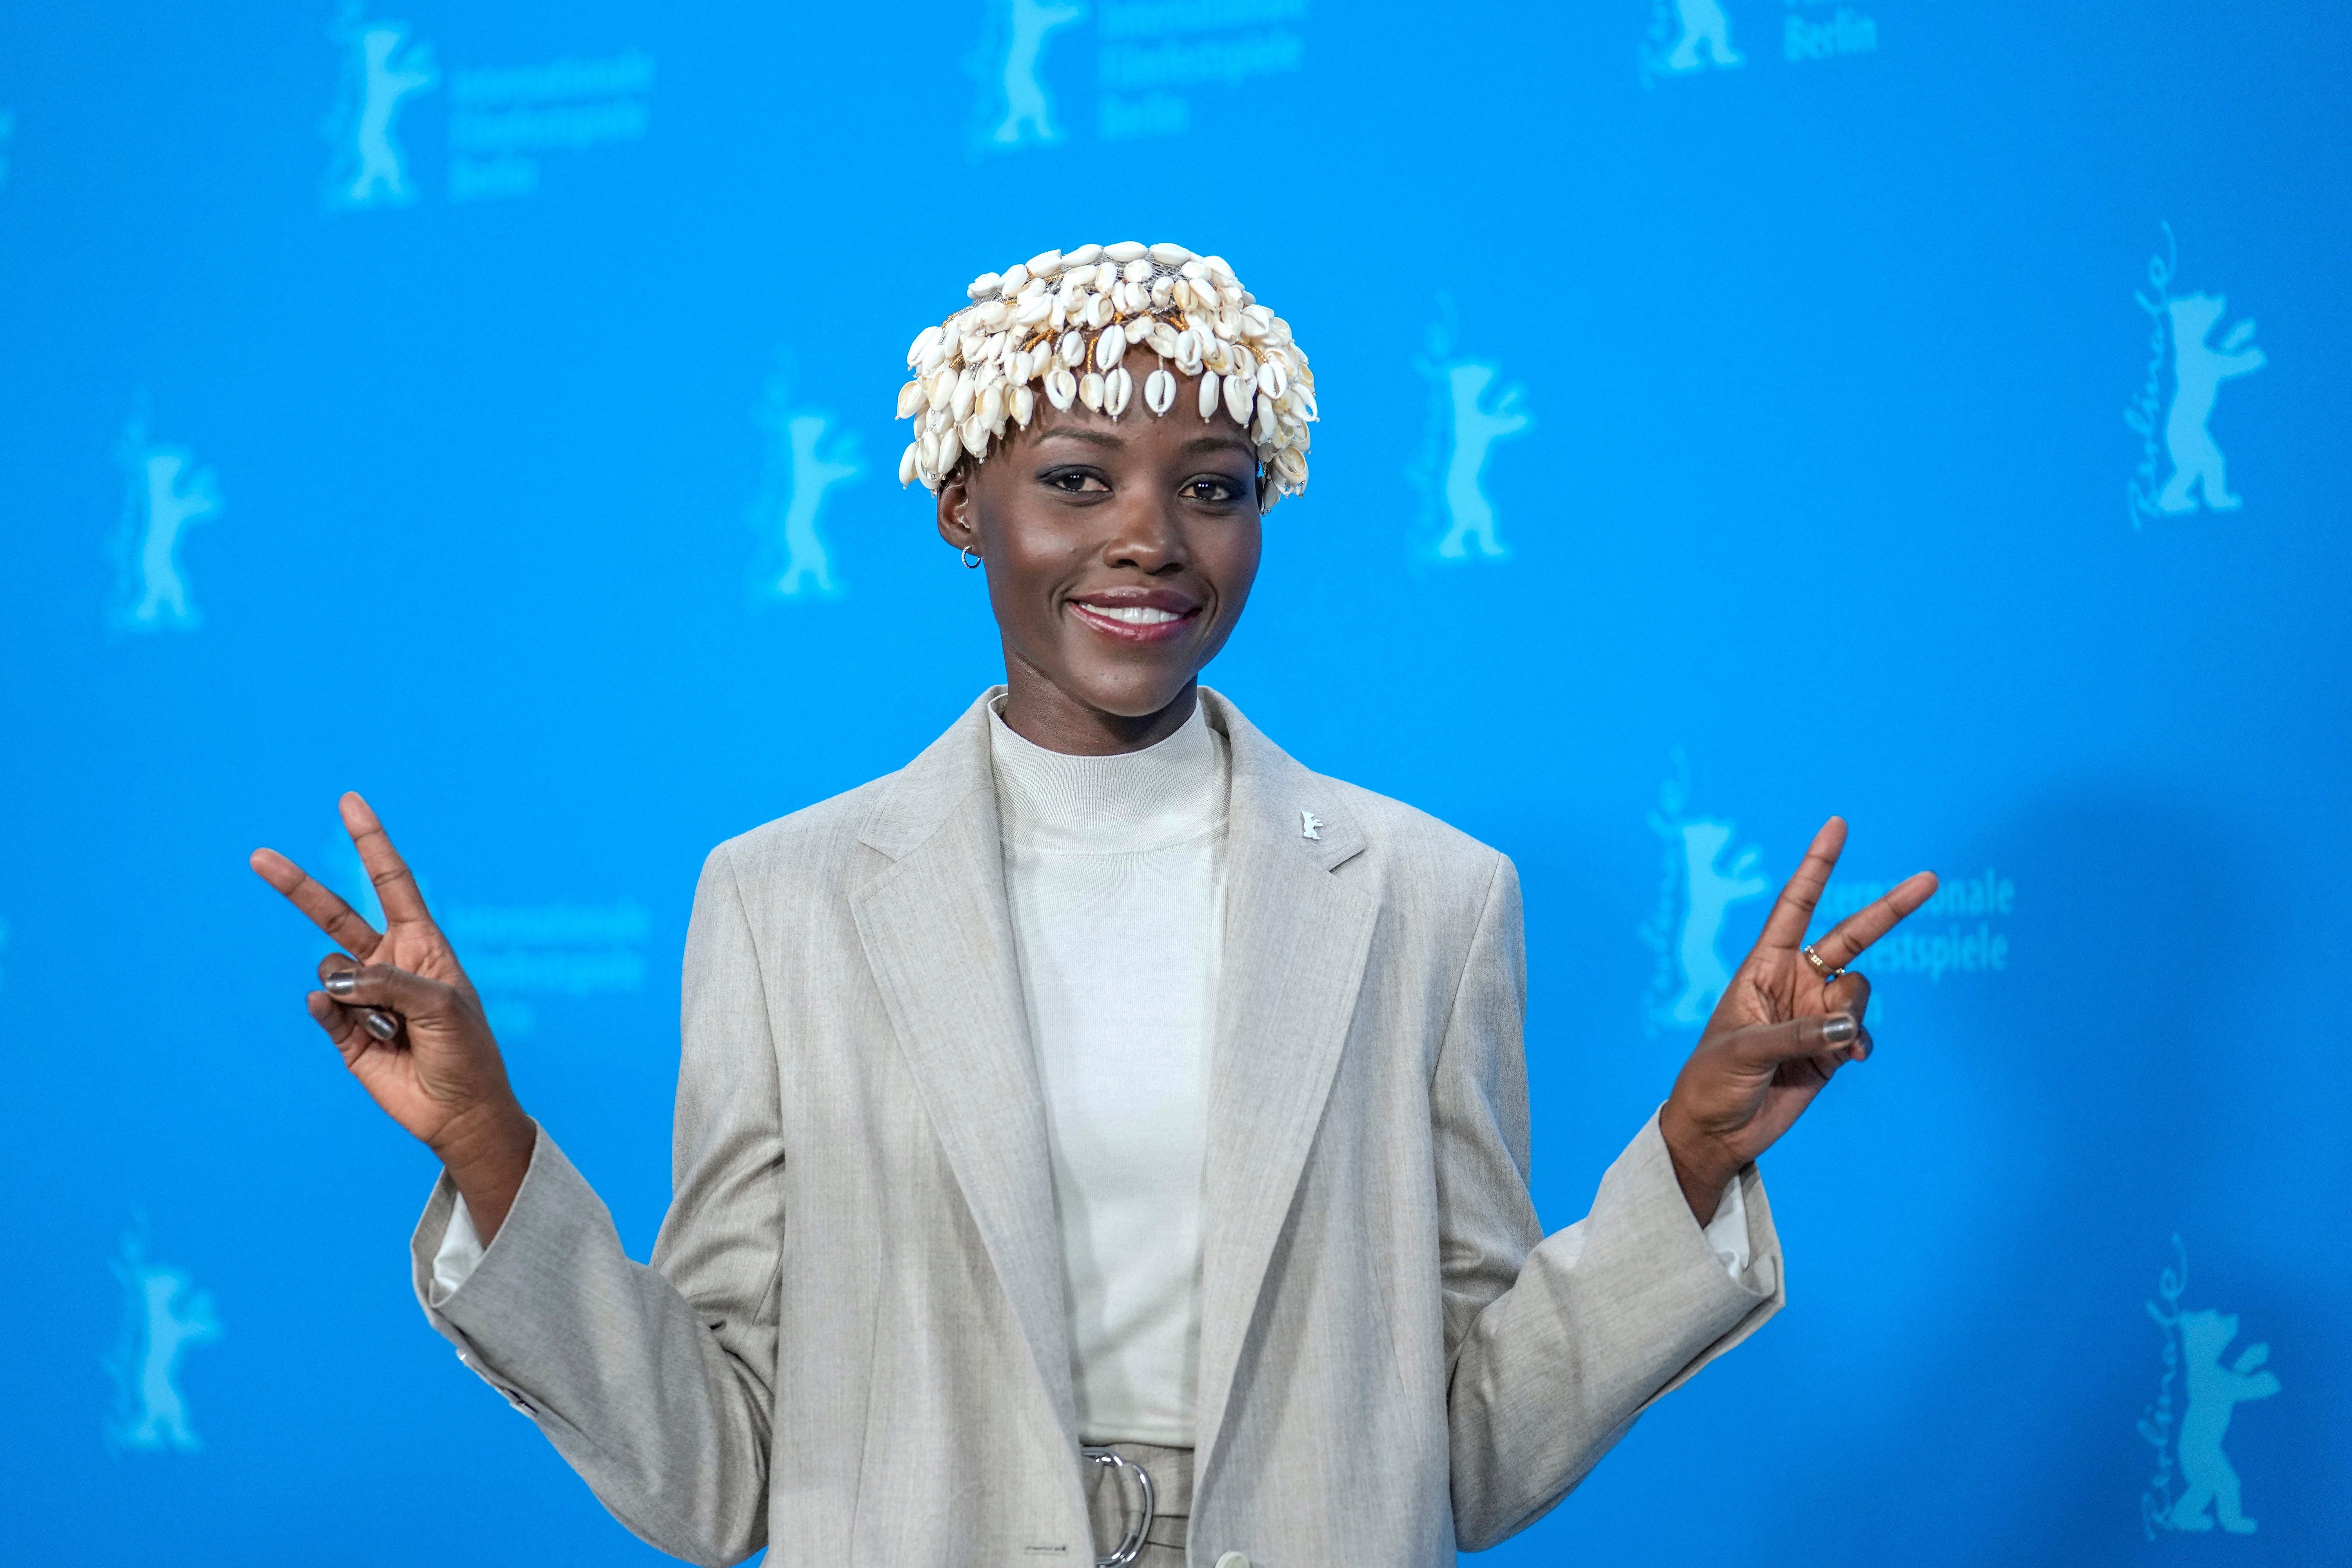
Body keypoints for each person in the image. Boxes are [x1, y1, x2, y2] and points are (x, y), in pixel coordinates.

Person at [250, 241, 1936, 1568]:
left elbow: (1471, 1452)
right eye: (1076, 479)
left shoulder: (1429, 901)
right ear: (960, 506)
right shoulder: (782, 901)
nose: (1149, 539)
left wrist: (1696, 1157)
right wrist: (491, 1152)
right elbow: (717, 1472)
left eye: (1211, 487)